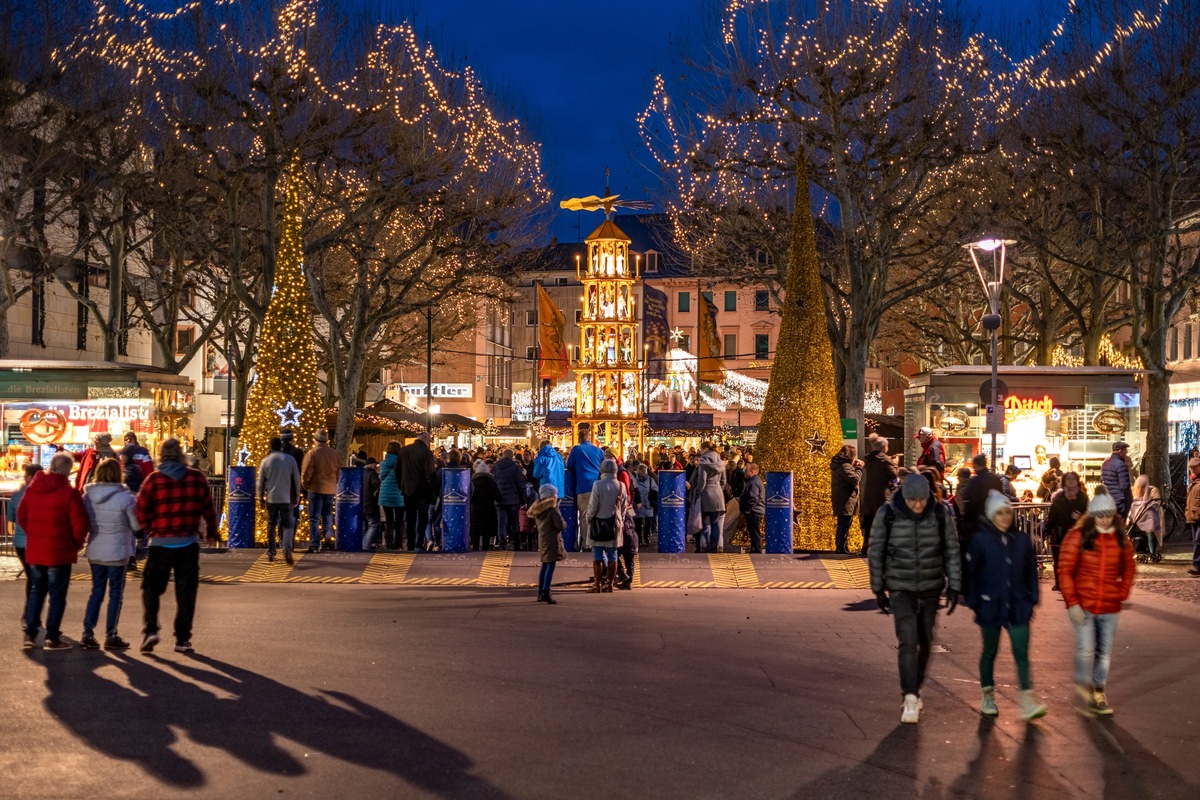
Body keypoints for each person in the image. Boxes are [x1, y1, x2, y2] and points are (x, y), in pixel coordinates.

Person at [868, 472, 961, 725]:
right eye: (912, 501)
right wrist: (878, 587)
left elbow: (952, 549)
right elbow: (875, 550)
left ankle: (915, 686)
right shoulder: (887, 514)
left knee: (926, 640)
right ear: (904, 497)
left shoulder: (940, 513)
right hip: (901, 588)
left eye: (921, 501)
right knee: (908, 641)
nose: (917, 506)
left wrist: (955, 584)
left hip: (931, 587)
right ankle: (909, 695)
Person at [965, 490, 1047, 720]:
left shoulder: (1021, 540)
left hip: (1018, 604)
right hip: (990, 604)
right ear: (991, 515)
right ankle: (988, 694)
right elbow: (971, 573)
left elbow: (1031, 570)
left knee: (1021, 652)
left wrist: (1032, 598)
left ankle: (1027, 700)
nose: (1004, 517)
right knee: (990, 650)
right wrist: (974, 600)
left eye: (1008, 512)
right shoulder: (980, 540)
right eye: (999, 513)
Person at [1058, 485, 1136, 715]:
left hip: (1109, 604)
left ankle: (1098, 691)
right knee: (1084, 648)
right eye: (1100, 515)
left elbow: (1130, 565)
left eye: (1108, 515)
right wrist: (1072, 602)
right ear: (1092, 516)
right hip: (1084, 603)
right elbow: (1065, 570)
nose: (1104, 520)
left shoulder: (1120, 538)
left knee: (1105, 650)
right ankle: (1082, 687)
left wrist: (1122, 592)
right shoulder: (1077, 537)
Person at [135, 438, 218, 653]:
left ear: (162, 455)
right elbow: (208, 509)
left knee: (151, 588)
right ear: (181, 454)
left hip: (160, 544)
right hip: (188, 544)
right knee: (186, 592)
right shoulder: (196, 478)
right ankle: (182, 639)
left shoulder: (154, 480)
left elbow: (140, 511)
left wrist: (151, 528)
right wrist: (211, 532)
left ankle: (151, 629)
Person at [19, 453, 90, 650]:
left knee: (36, 592)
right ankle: (51, 637)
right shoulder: (69, 493)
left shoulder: (33, 488)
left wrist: (33, 535)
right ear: (68, 470)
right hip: (59, 552)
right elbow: (80, 523)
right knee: (57, 596)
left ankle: (30, 634)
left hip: (35, 550)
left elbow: (22, 515)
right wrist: (75, 544)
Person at [80, 458, 138, 651]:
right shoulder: (126, 498)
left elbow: (83, 520)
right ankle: (111, 634)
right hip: (118, 551)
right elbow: (136, 525)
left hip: (96, 548)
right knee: (115, 594)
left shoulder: (87, 496)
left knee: (96, 592)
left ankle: (88, 633)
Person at [586, 459, 627, 592]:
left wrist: (589, 518)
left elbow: (593, 506)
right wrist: (621, 519)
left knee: (597, 554)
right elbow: (624, 506)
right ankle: (609, 584)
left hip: (598, 522)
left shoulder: (597, 484)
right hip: (614, 523)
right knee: (613, 554)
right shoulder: (621, 486)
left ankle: (597, 584)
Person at [259, 437, 302, 564]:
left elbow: (260, 482)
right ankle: (286, 548)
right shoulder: (290, 460)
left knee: (271, 524)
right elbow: (296, 479)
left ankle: (271, 552)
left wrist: (260, 497)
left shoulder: (265, 461)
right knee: (287, 524)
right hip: (286, 497)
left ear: (271, 447)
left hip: (271, 498)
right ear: (281, 447)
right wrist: (297, 496)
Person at [7, 464, 41, 622]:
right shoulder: (42, 492)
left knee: (31, 577)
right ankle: (31, 615)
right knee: (37, 579)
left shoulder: (17, 493)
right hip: (37, 541)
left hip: (20, 542)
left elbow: (12, 518)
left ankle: (29, 613)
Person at [1044, 472, 1088, 591]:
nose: (1070, 481)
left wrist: (1080, 517)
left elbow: (1088, 513)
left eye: (1073, 479)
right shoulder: (1059, 497)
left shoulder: (1082, 497)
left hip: (1076, 532)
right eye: (1068, 479)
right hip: (1060, 532)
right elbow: (1052, 515)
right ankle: (1059, 582)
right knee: (1059, 559)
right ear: (1063, 482)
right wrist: (1047, 531)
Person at [300, 431, 341, 552]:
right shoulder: (334, 454)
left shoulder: (312, 453)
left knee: (314, 518)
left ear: (315, 439)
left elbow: (307, 471)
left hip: (316, 488)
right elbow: (338, 472)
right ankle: (329, 538)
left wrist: (305, 484)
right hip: (330, 489)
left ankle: (315, 544)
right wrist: (334, 483)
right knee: (328, 515)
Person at [398, 432, 438, 551]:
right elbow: (430, 474)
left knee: (410, 518)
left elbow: (397, 471)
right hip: (423, 491)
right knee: (422, 518)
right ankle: (418, 542)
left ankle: (410, 543)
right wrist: (433, 490)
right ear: (425, 439)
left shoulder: (403, 451)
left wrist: (402, 485)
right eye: (429, 440)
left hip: (407, 490)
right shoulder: (426, 453)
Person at [565, 430, 604, 550]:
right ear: (589, 437)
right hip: (598, 486)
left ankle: (587, 543)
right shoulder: (599, 450)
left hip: (583, 487)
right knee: (597, 515)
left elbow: (569, 465)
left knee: (584, 516)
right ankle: (597, 540)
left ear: (579, 438)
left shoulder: (576, 450)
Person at [528, 483, 566, 603]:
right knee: (550, 566)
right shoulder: (552, 508)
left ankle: (541, 591)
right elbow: (559, 525)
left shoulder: (538, 508)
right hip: (552, 539)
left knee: (544, 565)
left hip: (543, 538)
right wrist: (564, 524)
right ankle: (546, 591)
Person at [861, 436, 899, 555]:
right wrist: (895, 463)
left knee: (869, 521)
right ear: (884, 447)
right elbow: (894, 476)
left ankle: (866, 546)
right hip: (882, 496)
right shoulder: (885, 461)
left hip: (869, 495)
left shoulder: (868, 459)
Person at [691, 441, 726, 553]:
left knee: (705, 522)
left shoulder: (704, 462)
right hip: (718, 495)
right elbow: (723, 481)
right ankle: (714, 546)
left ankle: (704, 546)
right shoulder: (720, 462)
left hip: (706, 494)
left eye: (701, 449)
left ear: (705, 449)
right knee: (715, 522)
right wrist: (719, 488)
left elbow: (702, 481)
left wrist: (696, 492)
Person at [492, 448, 529, 551]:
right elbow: (521, 485)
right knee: (514, 522)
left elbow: (493, 482)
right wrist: (523, 500)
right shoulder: (515, 467)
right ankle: (516, 544)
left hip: (500, 500)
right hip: (513, 499)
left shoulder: (496, 467)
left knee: (501, 522)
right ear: (512, 456)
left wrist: (495, 496)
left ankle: (502, 544)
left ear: (503, 456)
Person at [830, 445, 863, 554]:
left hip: (841, 498)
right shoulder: (845, 466)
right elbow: (855, 479)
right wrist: (859, 468)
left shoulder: (839, 465)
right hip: (846, 499)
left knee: (844, 522)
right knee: (844, 523)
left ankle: (843, 546)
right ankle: (840, 547)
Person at [378, 441, 404, 550]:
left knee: (389, 521)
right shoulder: (402, 462)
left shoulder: (383, 463)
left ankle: (388, 543)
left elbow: (381, 477)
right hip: (399, 494)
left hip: (385, 494)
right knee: (399, 521)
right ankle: (398, 544)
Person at [470, 460, 499, 550]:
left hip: (476, 509)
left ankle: (475, 548)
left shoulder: (473, 482)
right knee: (486, 531)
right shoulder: (492, 483)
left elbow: (470, 496)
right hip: (489, 509)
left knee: (476, 532)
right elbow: (498, 496)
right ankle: (485, 549)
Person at [1101, 441, 1133, 517]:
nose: (1126, 452)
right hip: (1119, 501)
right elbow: (1124, 486)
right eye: (1125, 450)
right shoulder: (1121, 464)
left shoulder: (1105, 464)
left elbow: (1102, 481)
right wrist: (1129, 500)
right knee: (1120, 524)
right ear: (1120, 451)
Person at [740, 462, 766, 553]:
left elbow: (754, 498)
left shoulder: (754, 482)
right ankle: (754, 548)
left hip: (754, 511)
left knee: (755, 531)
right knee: (753, 531)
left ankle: (757, 550)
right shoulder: (755, 480)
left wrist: (747, 509)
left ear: (751, 472)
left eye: (746, 470)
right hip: (755, 510)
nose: (745, 472)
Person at [632, 464, 658, 546]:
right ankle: (639, 538)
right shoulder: (634, 481)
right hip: (638, 505)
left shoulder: (650, 480)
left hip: (648, 504)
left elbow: (656, 490)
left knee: (648, 523)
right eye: (641, 470)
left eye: (644, 470)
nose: (643, 472)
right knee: (638, 524)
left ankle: (646, 536)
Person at [361, 456, 381, 551]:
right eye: (376, 465)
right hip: (370, 503)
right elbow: (376, 483)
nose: (376, 466)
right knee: (373, 524)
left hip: (362, 503)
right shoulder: (372, 474)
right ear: (372, 465)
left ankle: (363, 543)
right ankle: (365, 545)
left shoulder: (362, 473)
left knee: (365, 525)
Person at [1187, 457, 1200, 577]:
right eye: (1191, 468)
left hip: (1198, 515)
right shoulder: (1193, 481)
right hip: (1194, 516)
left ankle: (1196, 565)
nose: (1192, 470)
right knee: (1196, 541)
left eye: (1194, 468)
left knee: (1198, 540)